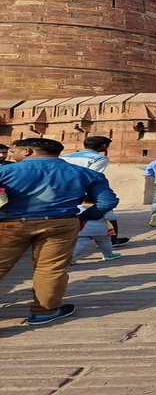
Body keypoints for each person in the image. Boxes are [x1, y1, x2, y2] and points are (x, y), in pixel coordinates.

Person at [0, 138, 119, 324]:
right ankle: (43, 312)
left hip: (10, 224)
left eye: (13, 151)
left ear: (27, 151)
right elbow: (107, 202)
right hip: (61, 223)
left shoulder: (4, 171)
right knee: (50, 269)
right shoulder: (85, 173)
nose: (9, 154)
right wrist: (83, 218)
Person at [61, 136, 129, 247]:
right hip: (85, 188)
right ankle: (111, 238)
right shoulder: (99, 158)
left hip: (63, 188)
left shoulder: (65, 156)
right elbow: (92, 175)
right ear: (103, 145)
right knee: (107, 210)